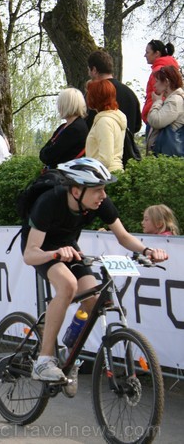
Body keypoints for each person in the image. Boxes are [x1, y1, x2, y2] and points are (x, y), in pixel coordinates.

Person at [21, 158, 168, 388]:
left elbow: (123, 236)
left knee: (93, 300)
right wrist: (55, 254)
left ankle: (70, 352)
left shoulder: (100, 203)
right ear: (77, 190)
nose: (103, 195)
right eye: (98, 190)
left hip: (70, 247)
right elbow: (30, 254)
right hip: (43, 249)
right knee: (68, 285)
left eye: (104, 189)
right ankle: (44, 360)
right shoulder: (49, 202)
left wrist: (147, 250)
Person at [86, 50, 142, 135]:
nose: (89, 74)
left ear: (94, 70)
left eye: (89, 70)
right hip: (125, 146)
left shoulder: (96, 94)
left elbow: (88, 124)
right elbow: (137, 126)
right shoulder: (130, 94)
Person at [39, 88, 89, 170]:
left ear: (65, 105)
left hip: (64, 176)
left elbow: (49, 156)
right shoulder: (65, 126)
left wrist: (46, 152)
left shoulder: (75, 129)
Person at [85, 79, 126, 171]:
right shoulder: (114, 117)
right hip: (112, 174)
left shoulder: (104, 122)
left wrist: (85, 170)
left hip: (104, 177)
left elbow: (105, 160)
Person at [144, 65, 184, 154]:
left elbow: (156, 121)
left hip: (167, 155)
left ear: (166, 82)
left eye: (157, 81)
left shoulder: (174, 101)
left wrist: (157, 102)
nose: (154, 85)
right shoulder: (173, 99)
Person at [142, 40, 180, 124]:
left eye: (147, 52)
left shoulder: (158, 71)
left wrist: (152, 112)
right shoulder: (169, 69)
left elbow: (160, 94)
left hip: (155, 116)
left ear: (157, 53)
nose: (145, 55)